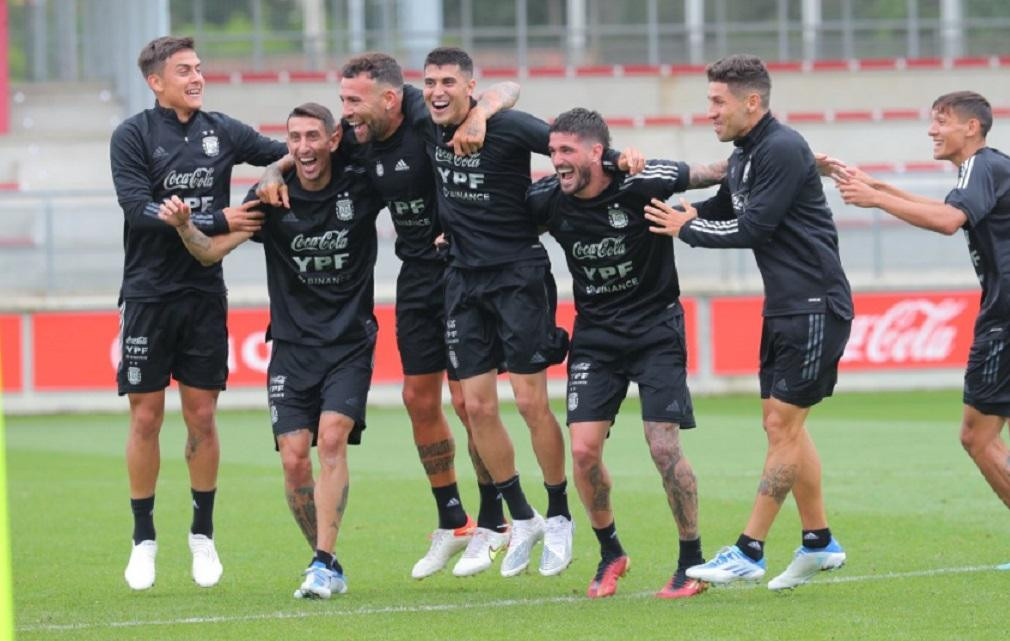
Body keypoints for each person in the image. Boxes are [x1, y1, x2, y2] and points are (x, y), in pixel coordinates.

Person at [256, 53, 521, 579]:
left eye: (353, 100)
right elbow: (313, 146)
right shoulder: (357, 137)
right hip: (416, 275)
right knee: (417, 398)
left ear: (390, 98)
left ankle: (496, 522)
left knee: (469, 400)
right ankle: (453, 519)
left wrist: (480, 114)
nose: (346, 110)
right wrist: (272, 167)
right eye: (343, 100)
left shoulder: (429, 114)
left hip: (462, 269)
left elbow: (507, 87)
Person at [644, 54, 853, 590]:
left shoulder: (781, 147)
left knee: (784, 427)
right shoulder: (745, 154)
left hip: (814, 305)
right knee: (781, 425)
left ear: (751, 102)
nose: (709, 112)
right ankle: (818, 541)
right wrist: (650, 205)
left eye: (718, 102)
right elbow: (717, 208)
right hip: (785, 307)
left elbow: (753, 227)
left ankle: (749, 550)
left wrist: (683, 229)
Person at [159, 102, 384, 599]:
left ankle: (322, 562)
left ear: (332, 139)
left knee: (330, 440)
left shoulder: (360, 185)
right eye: (293, 138)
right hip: (290, 347)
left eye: (312, 136)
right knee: (293, 460)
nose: (303, 147)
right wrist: (183, 226)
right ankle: (326, 559)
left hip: (349, 343)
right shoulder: (269, 198)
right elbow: (208, 251)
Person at [111, 35, 287, 591]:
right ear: (155, 81)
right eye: (183, 70)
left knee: (202, 418)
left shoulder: (223, 130)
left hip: (202, 295)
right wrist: (216, 218)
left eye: (199, 67)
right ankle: (143, 540)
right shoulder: (132, 135)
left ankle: (202, 536)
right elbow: (140, 212)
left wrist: (278, 171)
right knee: (145, 418)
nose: (196, 76)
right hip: (146, 296)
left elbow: (286, 151)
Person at [528, 108, 727, 598]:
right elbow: (497, 225)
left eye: (567, 151)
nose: (557, 161)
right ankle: (611, 551)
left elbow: (713, 173)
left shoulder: (642, 182)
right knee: (583, 451)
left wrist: (792, 164)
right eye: (553, 152)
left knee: (663, 447)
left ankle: (691, 560)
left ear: (598, 152)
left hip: (656, 329)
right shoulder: (549, 200)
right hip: (596, 336)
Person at [419, 46, 576, 578]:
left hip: (518, 278)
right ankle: (522, 515)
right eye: (430, 82)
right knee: (477, 408)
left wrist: (486, 112)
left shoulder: (505, 127)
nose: (437, 91)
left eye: (447, 82)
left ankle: (559, 514)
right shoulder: (426, 124)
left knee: (532, 403)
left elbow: (554, 134)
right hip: (462, 280)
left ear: (469, 87)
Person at [836, 91, 1010, 538]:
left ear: (971, 127)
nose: (932, 130)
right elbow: (947, 210)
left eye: (942, 120)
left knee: (978, 437)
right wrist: (877, 187)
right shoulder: (987, 169)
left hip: (1005, 318)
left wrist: (876, 201)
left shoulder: (981, 165)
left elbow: (949, 220)